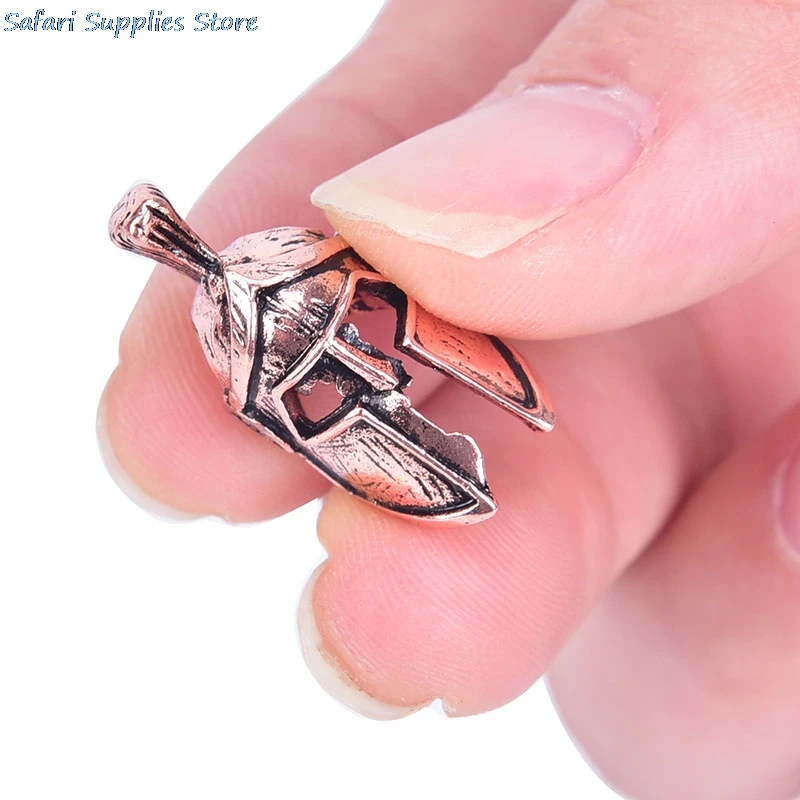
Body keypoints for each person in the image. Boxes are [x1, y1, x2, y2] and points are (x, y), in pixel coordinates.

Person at [96, 1, 800, 796]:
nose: (384, 375)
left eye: (359, 328)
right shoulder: (252, 345)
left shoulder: (298, 297)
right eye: (327, 383)